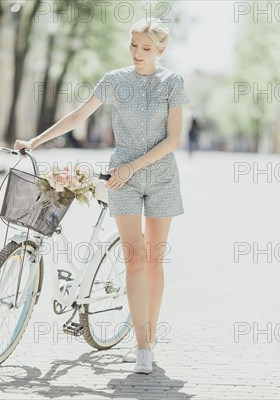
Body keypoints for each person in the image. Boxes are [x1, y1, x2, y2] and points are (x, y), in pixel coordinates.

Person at [14, 17, 190, 374]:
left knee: (154, 261)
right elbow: (78, 116)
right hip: (121, 178)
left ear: (160, 50)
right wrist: (35, 141)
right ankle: (142, 349)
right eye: (133, 45)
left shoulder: (172, 82)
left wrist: (133, 166)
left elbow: (173, 139)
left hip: (161, 178)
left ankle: (148, 340)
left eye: (145, 48)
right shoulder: (114, 81)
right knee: (135, 259)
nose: (137, 53)